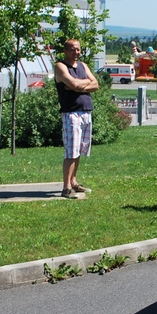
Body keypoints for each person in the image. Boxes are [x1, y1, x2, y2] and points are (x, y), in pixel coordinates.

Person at [54, 38, 99, 199]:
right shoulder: (60, 66)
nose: (76, 52)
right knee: (71, 150)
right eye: (73, 49)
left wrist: (80, 85)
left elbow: (95, 84)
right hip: (71, 113)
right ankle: (66, 187)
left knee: (80, 149)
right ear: (65, 51)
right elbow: (73, 84)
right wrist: (82, 84)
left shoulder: (83, 66)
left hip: (86, 112)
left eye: (78, 49)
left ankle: (74, 182)